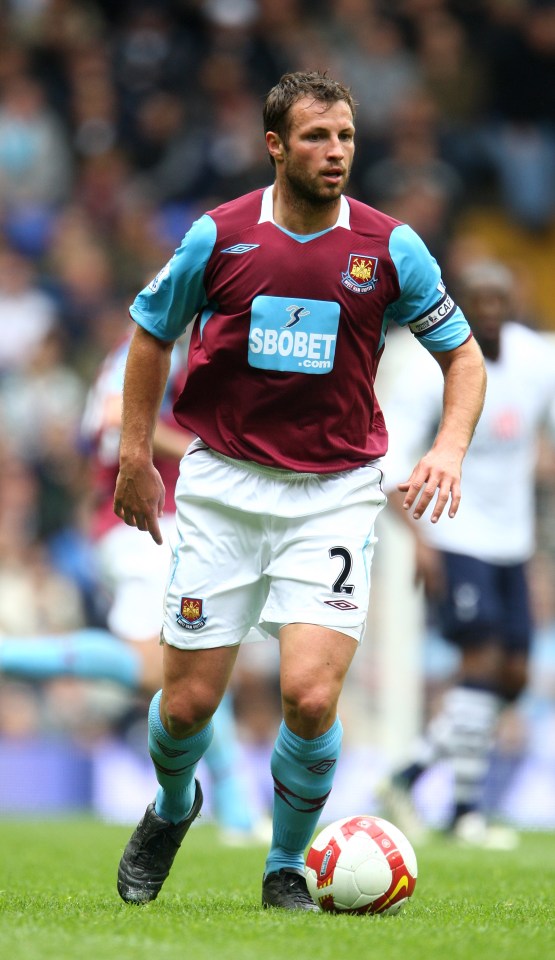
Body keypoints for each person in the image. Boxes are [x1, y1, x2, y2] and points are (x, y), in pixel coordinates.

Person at [113, 70, 486, 911]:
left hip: (333, 494)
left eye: (347, 136)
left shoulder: (391, 249)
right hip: (222, 488)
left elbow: (462, 357)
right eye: (318, 137)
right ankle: (173, 806)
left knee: (310, 697)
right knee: (185, 708)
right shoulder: (220, 237)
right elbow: (148, 333)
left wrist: (449, 449)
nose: (336, 152)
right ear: (275, 146)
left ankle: (285, 863)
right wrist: (137, 456)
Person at [0, 328, 262, 842]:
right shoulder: (160, 344)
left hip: (158, 526)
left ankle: (237, 813)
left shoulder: (155, 345)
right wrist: (204, 454)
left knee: (198, 661)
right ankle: (235, 812)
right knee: (168, 666)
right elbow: (116, 419)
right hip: (144, 525)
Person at [380, 259, 555, 848]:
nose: (487, 311)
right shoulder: (434, 370)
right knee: (480, 662)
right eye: (475, 300)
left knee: (512, 675)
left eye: (497, 298)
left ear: (515, 299)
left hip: (514, 543)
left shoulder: (537, 359)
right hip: (455, 534)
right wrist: (422, 543)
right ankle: (464, 813)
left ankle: (408, 774)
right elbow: (393, 466)